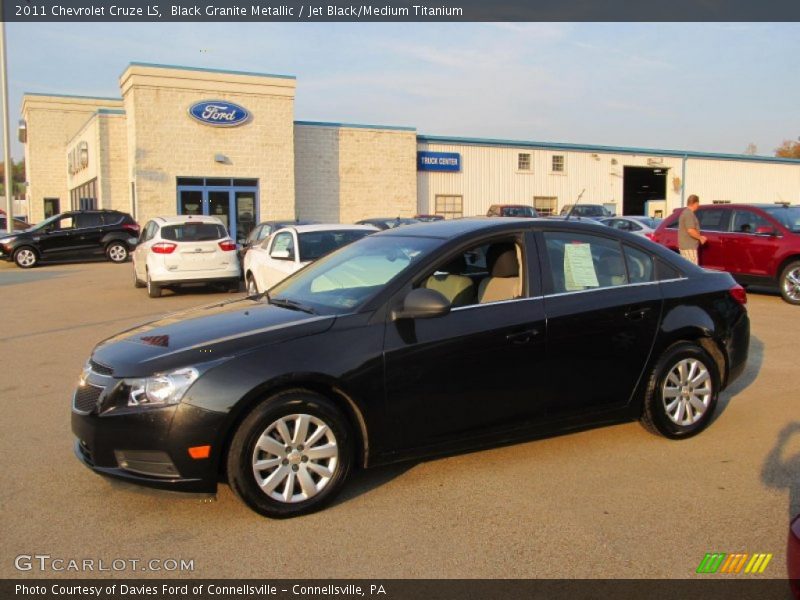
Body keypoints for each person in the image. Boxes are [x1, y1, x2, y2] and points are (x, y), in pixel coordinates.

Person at [678, 194, 707, 265]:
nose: (698, 205)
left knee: (686, 267)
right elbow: (690, 230)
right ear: (695, 203)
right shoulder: (689, 214)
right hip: (689, 247)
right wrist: (700, 238)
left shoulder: (685, 212)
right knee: (693, 268)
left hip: (686, 246)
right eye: (698, 203)